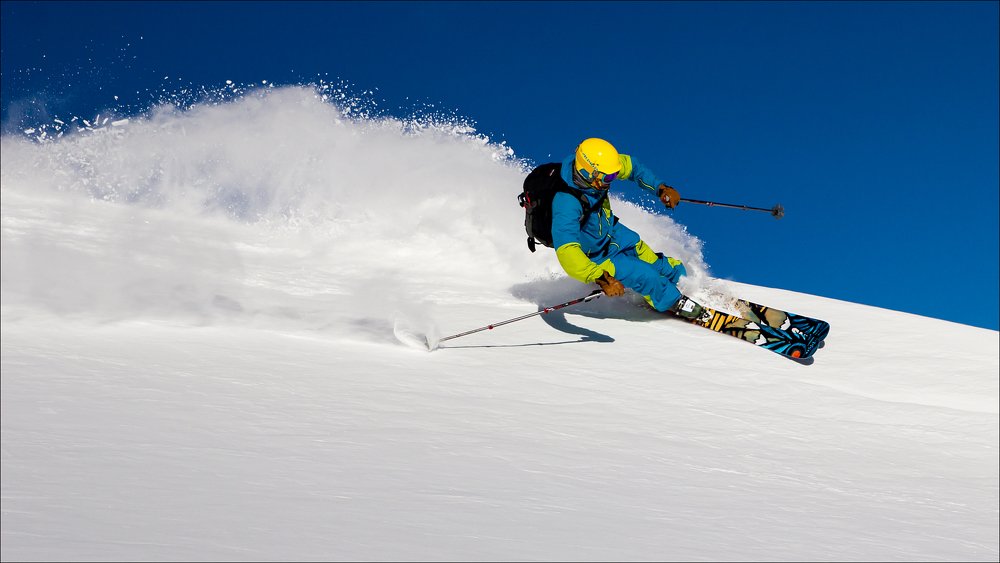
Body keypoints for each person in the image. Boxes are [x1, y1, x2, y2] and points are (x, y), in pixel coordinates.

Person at [542, 137, 700, 317]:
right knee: (645, 275)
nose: (612, 179)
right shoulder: (566, 203)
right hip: (598, 257)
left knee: (653, 260)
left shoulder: (599, 171)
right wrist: (600, 278)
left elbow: (632, 166)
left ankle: (681, 280)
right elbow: (567, 251)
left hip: (612, 233)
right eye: (608, 177)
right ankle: (673, 302)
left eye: (614, 174)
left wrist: (661, 188)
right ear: (589, 173)